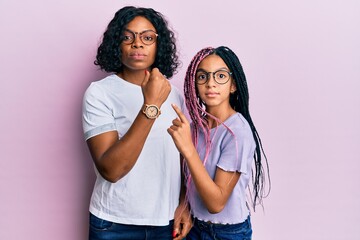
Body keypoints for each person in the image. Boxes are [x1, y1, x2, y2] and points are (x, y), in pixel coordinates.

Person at [82, 6, 191, 240]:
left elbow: (181, 158)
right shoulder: (100, 93)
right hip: (114, 224)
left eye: (147, 38)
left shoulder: (175, 94)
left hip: (166, 222)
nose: (137, 44)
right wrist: (150, 106)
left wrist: (184, 203)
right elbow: (111, 170)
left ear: (158, 46)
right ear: (116, 44)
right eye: (127, 37)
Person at [167, 46, 270, 239]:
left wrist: (188, 149)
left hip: (225, 233)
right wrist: (184, 205)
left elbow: (216, 203)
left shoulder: (237, 133)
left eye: (220, 76)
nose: (210, 84)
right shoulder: (195, 127)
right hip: (194, 226)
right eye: (202, 76)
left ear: (233, 85)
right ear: (194, 84)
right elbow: (187, 177)